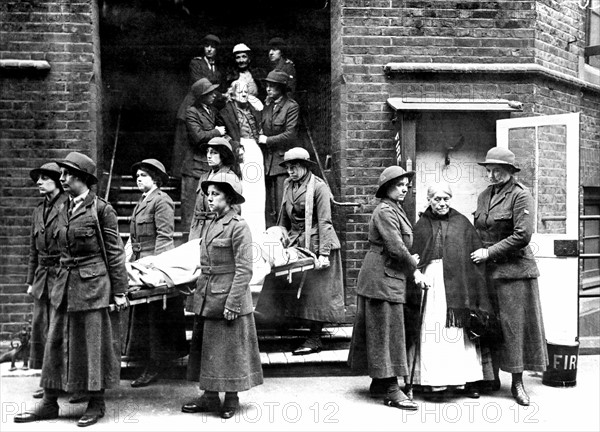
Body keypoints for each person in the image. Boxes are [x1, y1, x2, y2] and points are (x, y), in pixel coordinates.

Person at [14, 152, 128, 427]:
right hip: (63, 286)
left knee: (92, 345)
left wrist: (119, 291)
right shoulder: (64, 208)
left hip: (92, 286)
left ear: (83, 178)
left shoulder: (102, 210)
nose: (62, 179)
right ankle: (49, 402)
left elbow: (114, 253)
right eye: (62, 175)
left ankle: (96, 402)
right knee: (55, 342)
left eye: (67, 174)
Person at [182, 172, 263, 419]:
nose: (209, 198)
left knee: (229, 352)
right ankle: (208, 397)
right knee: (207, 350)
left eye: (215, 194)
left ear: (228, 198)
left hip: (228, 296)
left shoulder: (239, 226)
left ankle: (231, 398)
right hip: (208, 295)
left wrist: (233, 302)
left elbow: (245, 269)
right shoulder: (210, 223)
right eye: (208, 194)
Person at [471, 147, 548, 406]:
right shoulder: (483, 196)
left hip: (515, 272)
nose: (492, 175)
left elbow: (522, 236)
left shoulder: (521, 195)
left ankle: (517, 383)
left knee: (514, 327)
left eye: (498, 171)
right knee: (489, 324)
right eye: (489, 170)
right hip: (488, 272)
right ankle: (490, 377)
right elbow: (478, 229)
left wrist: (488, 252)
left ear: (510, 172)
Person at [408, 183, 496, 400]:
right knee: (433, 329)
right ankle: (433, 382)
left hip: (459, 285)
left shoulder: (462, 223)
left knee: (457, 333)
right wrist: (418, 273)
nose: (442, 203)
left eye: (446, 199)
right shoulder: (421, 225)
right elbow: (413, 257)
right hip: (432, 282)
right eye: (437, 199)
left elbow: (475, 254)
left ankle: (466, 380)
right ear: (429, 200)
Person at [347, 166, 424, 411]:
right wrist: (415, 267)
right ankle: (391, 389)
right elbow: (396, 247)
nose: (405, 188)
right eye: (399, 185)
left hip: (387, 275)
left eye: (405, 185)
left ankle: (380, 382)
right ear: (386, 188)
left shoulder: (396, 209)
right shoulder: (384, 211)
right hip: (382, 277)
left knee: (382, 329)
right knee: (386, 332)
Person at [255, 148, 345, 354]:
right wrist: (277, 238)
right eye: (287, 167)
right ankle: (271, 319)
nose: (290, 171)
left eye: (294, 167)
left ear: (305, 166)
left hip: (319, 241)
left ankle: (314, 338)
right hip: (297, 241)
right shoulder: (288, 185)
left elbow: (325, 221)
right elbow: (284, 218)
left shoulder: (319, 187)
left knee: (317, 291)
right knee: (278, 273)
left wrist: (324, 254)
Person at [125, 159, 188, 388]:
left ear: (156, 178)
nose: (138, 179)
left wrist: (158, 267)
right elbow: (134, 239)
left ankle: (156, 364)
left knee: (156, 319)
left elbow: (165, 236)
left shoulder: (162, 201)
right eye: (137, 176)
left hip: (154, 264)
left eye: (143, 175)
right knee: (145, 317)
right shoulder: (142, 201)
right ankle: (148, 361)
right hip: (141, 263)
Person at [25, 162, 68, 399]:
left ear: (56, 180)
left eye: (43, 178)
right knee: (42, 329)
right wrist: (31, 280)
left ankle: (63, 381)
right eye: (37, 179)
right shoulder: (38, 210)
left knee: (59, 331)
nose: (39, 183)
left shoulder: (66, 206)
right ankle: (49, 380)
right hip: (42, 278)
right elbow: (34, 249)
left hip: (61, 275)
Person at [173, 34, 225, 177]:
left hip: (205, 106)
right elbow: (201, 85)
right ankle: (181, 175)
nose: (209, 49)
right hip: (191, 105)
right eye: (206, 46)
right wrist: (222, 95)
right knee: (185, 145)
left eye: (212, 47)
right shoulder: (196, 63)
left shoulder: (217, 68)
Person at [219, 80, 266, 236]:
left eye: (246, 92)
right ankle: (245, 231)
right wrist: (235, 146)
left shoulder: (254, 110)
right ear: (232, 94)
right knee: (246, 190)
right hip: (240, 152)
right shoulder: (226, 112)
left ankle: (258, 230)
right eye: (240, 92)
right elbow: (224, 134)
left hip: (255, 150)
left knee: (258, 192)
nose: (244, 94)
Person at [180, 78, 227, 232]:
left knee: (208, 208)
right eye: (210, 93)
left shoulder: (212, 111)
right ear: (202, 96)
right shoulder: (191, 112)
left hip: (207, 166)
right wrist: (217, 132)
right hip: (193, 167)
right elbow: (198, 137)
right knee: (191, 210)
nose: (214, 95)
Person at [258, 70, 300, 227]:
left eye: (272, 86)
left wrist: (267, 140)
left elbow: (290, 135)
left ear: (281, 88)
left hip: (282, 164)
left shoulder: (291, 107)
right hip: (267, 163)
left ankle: (284, 239)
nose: (268, 89)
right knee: (268, 206)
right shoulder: (267, 107)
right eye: (267, 85)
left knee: (283, 205)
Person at [188, 137, 241, 241]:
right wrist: (192, 234)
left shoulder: (230, 178)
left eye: (213, 153)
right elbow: (196, 210)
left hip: (216, 232)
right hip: (197, 232)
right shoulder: (203, 177)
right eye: (208, 152)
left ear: (223, 155)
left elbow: (234, 211)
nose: (208, 156)